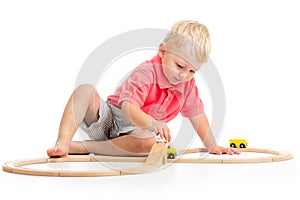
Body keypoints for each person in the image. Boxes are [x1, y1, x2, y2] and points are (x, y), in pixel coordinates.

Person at [47, 20, 240, 157]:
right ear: (162, 51)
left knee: (147, 143)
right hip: (111, 118)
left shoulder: (187, 85)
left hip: (134, 134)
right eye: (180, 66)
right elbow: (128, 109)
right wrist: (153, 123)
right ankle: (63, 142)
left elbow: (197, 115)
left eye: (192, 71)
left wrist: (212, 145)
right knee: (85, 90)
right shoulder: (147, 72)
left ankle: (83, 147)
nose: (184, 75)